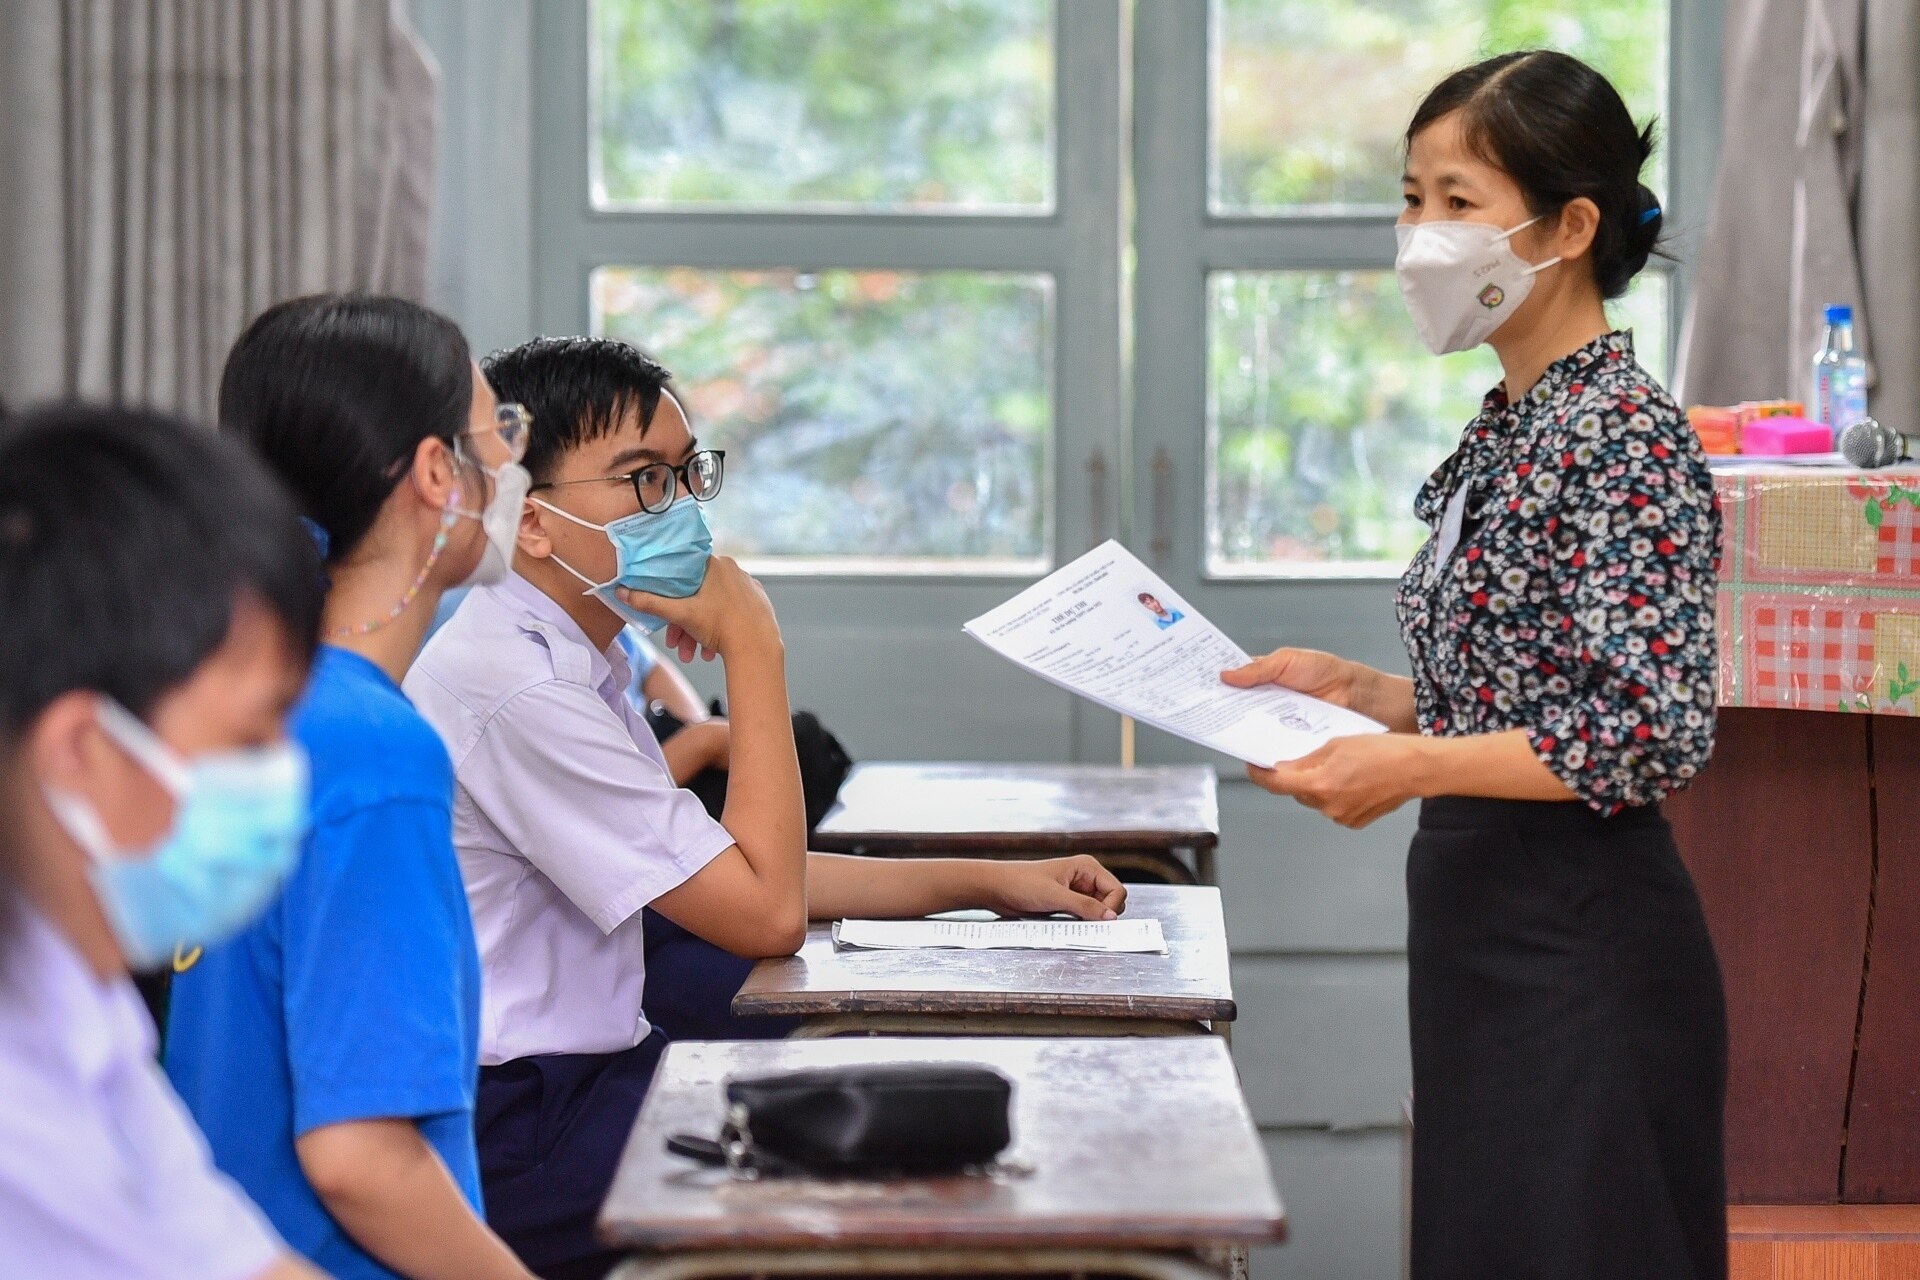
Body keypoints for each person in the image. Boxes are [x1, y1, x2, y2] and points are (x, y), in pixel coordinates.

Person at [405, 335, 1129, 1279]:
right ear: (531, 522)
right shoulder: (518, 685)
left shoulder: (565, 655)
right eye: (641, 480)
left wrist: (992, 881)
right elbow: (767, 913)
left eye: (685, 474)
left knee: (910, 1118)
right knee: (900, 1182)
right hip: (524, 1130)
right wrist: (754, 645)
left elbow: (738, 866)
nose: (681, 509)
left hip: (584, 1084)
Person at [1222, 52, 1726, 1280]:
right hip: (1480, 938)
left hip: (1582, 946)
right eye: (1411, 198)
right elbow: (1517, 694)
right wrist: (1362, 691)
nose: (1420, 235)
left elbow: (1642, 726)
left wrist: (1406, 761)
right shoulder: (1513, 422)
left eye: (1458, 201)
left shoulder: (1621, 433)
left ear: (1571, 227)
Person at [165, 296, 539, 1280]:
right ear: (434, 473)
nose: (514, 465)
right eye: (496, 433)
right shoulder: (373, 751)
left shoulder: (247, 707)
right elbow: (364, 1160)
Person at [0, 403, 326, 1279]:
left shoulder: (69, 988)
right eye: (251, 741)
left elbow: (230, 1255)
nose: (284, 778)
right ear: (82, 750)